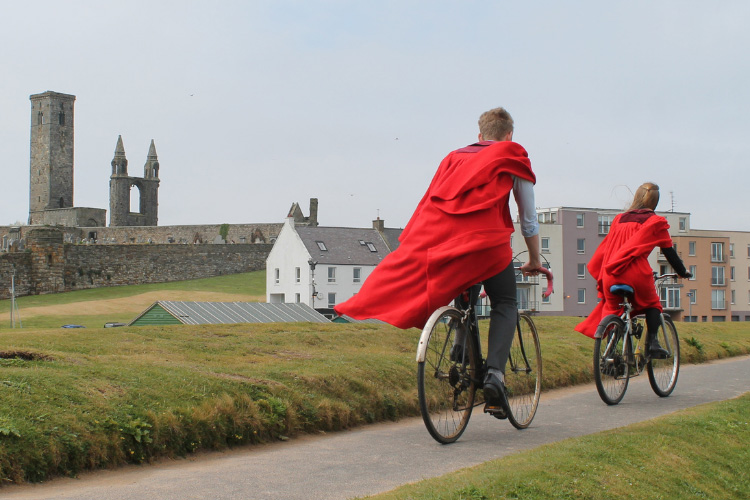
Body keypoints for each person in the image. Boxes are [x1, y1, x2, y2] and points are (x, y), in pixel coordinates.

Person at [334, 106, 542, 417]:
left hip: (447, 241)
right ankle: (495, 376)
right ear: (509, 136)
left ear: (479, 135)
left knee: (463, 275)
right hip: (489, 244)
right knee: (506, 303)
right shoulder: (513, 156)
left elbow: (431, 200)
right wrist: (535, 259)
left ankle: (460, 341)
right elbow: (528, 220)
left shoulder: (454, 158)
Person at [575, 182, 691, 357]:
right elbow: (669, 252)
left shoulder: (619, 219)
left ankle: (610, 354)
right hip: (635, 273)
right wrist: (683, 272)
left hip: (611, 273)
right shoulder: (656, 222)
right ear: (655, 202)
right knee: (653, 305)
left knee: (614, 311)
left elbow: (606, 248)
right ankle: (652, 344)